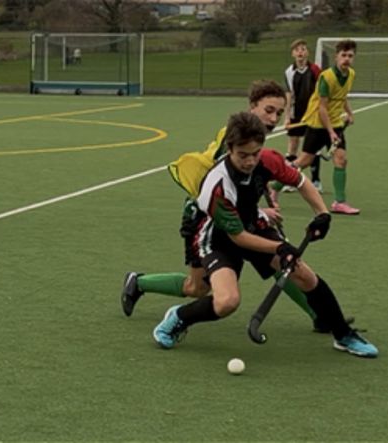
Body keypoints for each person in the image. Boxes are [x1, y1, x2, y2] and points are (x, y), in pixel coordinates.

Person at [122, 80, 345, 333]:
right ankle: (138, 282)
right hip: (204, 216)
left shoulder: (255, 142)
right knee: (196, 288)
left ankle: (320, 315)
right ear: (252, 107)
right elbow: (225, 185)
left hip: (238, 213)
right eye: (268, 110)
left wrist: (267, 199)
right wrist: (261, 211)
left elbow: (254, 181)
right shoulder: (233, 138)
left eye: (279, 113)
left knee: (281, 260)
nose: (274, 118)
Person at [152, 111, 378, 358]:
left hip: (253, 224)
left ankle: (343, 334)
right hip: (219, 238)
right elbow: (237, 238)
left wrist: (322, 213)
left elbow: (301, 182)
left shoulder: (268, 159)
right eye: (243, 155)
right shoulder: (216, 186)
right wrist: (279, 248)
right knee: (227, 302)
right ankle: (179, 317)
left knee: (305, 276)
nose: (250, 161)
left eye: (255, 153)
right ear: (229, 148)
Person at [273, 39, 360, 215]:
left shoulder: (350, 74)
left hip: (334, 123)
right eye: (343, 55)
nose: (347, 59)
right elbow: (321, 108)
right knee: (303, 161)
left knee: (341, 160)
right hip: (317, 123)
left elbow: (342, 97)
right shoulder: (326, 77)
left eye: (350, 56)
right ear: (336, 56)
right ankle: (274, 188)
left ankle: (339, 202)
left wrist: (349, 113)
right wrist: (330, 132)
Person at [282, 39, 323, 193]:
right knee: (293, 145)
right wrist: (287, 116)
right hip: (296, 113)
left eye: (303, 49)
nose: (300, 52)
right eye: (297, 50)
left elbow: (321, 93)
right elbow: (289, 94)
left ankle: (316, 180)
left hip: (313, 113)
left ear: (307, 53)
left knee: (312, 147)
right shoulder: (289, 72)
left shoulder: (315, 70)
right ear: (293, 53)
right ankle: (291, 180)